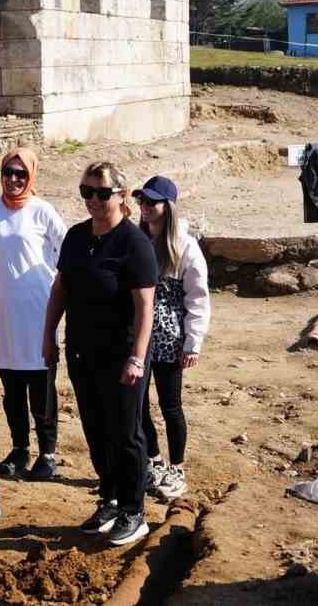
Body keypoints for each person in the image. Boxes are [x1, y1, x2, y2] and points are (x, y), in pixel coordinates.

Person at [42, 161, 157, 546]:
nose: (93, 199)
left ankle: (133, 509)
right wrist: (48, 336)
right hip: (82, 352)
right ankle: (108, 498)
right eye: (86, 192)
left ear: (122, 195)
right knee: (95, 427)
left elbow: (145, 308)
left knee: (126, 433)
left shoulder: (134, 243)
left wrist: (137, 358)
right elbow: (61, 288)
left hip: (122, 355)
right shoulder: (76, 237)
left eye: (102, 193)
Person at [0, 148, 66, 482]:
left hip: (37, 313)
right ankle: (19, 450)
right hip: (3, 314)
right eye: (8, 172)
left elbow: (66, 252)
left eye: (20, 173)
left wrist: (62, 289)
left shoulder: (43, 212)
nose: (13, 179)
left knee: (41, 386)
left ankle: (47, 453)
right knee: (11, 387)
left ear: (31, 175)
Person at [132, 176, 210, 501]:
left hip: (169, 338)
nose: (146, 207)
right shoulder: (136, 240)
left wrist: (193, 341)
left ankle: (176, 468)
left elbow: (198, 297)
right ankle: (154, 461)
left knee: (170, 405)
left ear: (168, 207)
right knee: (138, 406)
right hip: (138, 336)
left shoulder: (184, 246)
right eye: (143, 202)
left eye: (153, 202)